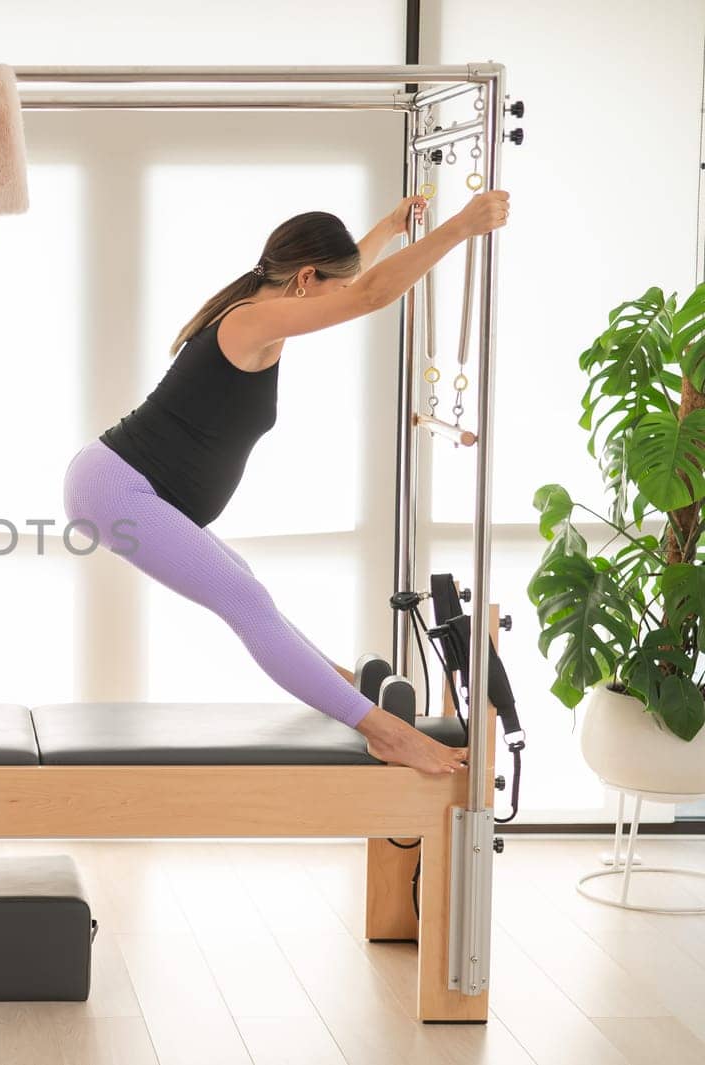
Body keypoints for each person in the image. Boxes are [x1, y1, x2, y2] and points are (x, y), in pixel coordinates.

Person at [63, 191, 510, 775]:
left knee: (245, 585)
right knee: (244, 601)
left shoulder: (261, 308)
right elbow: (369, 294)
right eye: (331, 286)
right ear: (304, 278)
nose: (339, 300)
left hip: (130, 486)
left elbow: (348, 284)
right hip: (115, 490)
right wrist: (459, 228)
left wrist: (389, 230)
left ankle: (342, 687)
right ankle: (385, 734)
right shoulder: (250, 320)